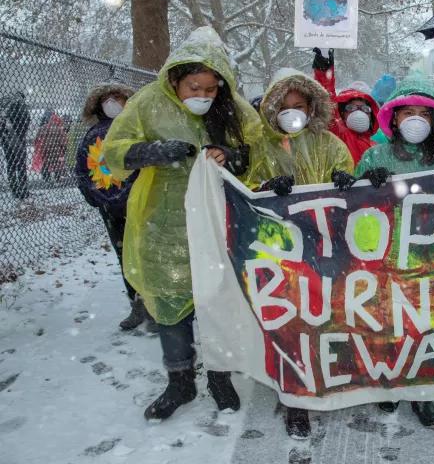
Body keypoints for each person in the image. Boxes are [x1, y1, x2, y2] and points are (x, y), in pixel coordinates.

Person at [103, 26, 261, 421]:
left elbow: (259, 150)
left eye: (211, 89)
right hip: (164, 220)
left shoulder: (234, 108)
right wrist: (151, 151)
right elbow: (113, 152)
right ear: (175, 78)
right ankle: (180, 381)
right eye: (194, 87)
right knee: (169, 303)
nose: (203, 97)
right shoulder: (147, 103)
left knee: (218, 300)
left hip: (217, 218)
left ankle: (220, 376)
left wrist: (232, 156)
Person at [347, 71, 434, 428]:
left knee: (426, 324)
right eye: (407, 112)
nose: (415, 120)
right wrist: (361, 183)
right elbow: (354, 203)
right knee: (388, 321)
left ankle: (420, 392)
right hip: (387, 254)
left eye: (423, 113)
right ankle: (389, 383)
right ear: (394, 117)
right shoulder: (376, 155)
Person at [242, 67, 354, 440]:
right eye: (285, 106)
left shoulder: (330, 144)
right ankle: (295, 399)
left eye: (300, 105)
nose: (293, 113)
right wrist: (266, 187)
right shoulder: (261, 147)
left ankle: (326, 378)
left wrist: (344, 182)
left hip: (325, 242)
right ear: (272, 109)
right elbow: (245, 190)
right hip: (281, 250)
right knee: (290, 321)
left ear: (311, 107)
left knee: (326, 315)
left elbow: (350, 186)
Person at [74, 83, 159, 331]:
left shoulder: (137, 130)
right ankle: (136, 306)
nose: (112, 102)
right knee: (125, 259)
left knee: (147, 256)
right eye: (107, 98)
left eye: (117, 97)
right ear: (97, 103)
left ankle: (155, 308)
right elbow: (83, 172)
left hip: (142, 205)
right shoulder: (91, 137)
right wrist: (97, 199)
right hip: (111, 211)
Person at [312, 48, 380, 164]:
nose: (359, 112)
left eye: (365, 109)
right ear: (342, 113)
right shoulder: (338, 135)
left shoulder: (377, 149)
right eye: (351, 108)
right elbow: (327, 103)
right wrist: (324, 73)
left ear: (371, 115)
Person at [0, 91, 31, 199]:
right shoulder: (20, 103)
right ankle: (23, 191)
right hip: (18, 139)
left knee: (11, 165)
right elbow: (27, 120)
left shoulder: (5, 104)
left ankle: (14, 190)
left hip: (6, 139)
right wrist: (22, 133)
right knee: (21, 166)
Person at [33, 109, 68, 182]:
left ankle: (46, 178)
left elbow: (36, 139)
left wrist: (39, 148)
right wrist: (64, 150)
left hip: (45, 149)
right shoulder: (59, 130)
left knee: (46, 163)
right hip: (57, 151)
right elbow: (63, 142)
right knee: (57, 165)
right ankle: (57, 178)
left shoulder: (43, 128)